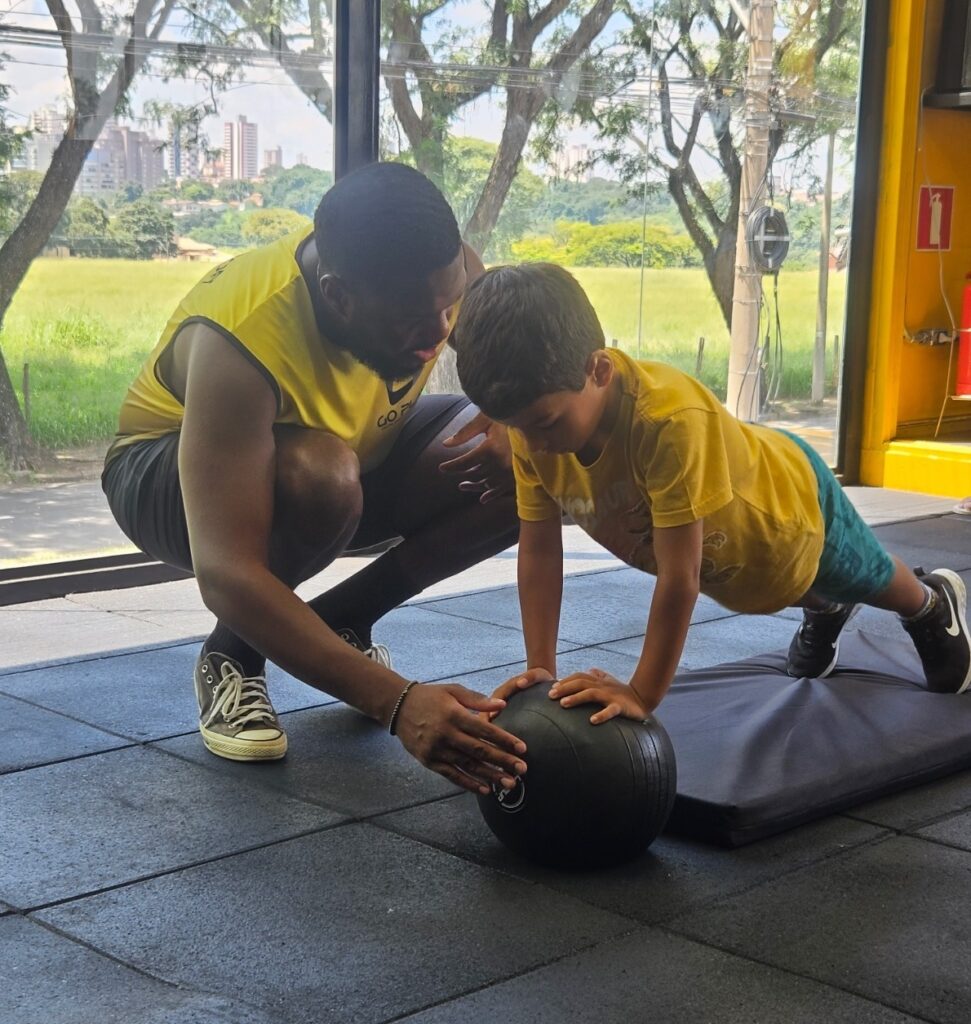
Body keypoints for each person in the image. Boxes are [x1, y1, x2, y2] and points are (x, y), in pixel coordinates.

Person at [102, 162, 537, 795]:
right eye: (413, 320)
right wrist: (399, 702)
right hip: (166, 476)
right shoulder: (240, 335)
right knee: (323, 477)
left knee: (531, 461)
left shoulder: (440, 274)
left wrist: (509, 413)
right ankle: (234, 655)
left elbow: (509, 346)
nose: (440, 331)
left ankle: (343, 622)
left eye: (449, 304)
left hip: (359, 448)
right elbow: (226, 572)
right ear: (338, 296)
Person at [452, 262, 971, 723]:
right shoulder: (532, 431)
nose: (534, 446)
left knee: (868, 576)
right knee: (782, 584)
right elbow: (541, 552)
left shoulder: (668, 422)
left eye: (544, 424)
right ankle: (825, 608)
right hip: (738, 558)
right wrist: (540, 671)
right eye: (517, 428)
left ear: (599, 370)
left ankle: (929, 603)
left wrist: (641, 694)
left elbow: (681, 577)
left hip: (791, 508)